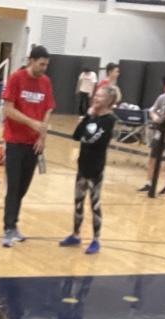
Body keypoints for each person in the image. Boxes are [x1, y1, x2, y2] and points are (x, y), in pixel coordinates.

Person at [0, 45, 55, 248]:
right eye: (41, 64)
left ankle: (14, 224)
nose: (43, 68)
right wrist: (32, 123)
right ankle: (8, 228)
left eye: (46, 65)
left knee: (23, 187)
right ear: (31, 60)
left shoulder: (46, 82)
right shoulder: (16, 78)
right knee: (13, 186)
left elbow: (48, 109)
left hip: (33, 144)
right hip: (15, 141)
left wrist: (42, 136)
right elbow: (8, 110)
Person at [59, 83, 118, 255]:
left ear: (109, 100)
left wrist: (88, 129)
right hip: (82, 166)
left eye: (100, 96)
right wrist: (87, 116)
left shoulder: (109, 120)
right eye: (96, 95)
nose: (96, 98)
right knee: (78, 202)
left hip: (96, 169)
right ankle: (75, 235)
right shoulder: (91, 117)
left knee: (95, 204)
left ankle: (96, 239)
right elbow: (77, 136)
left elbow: (95, 140)